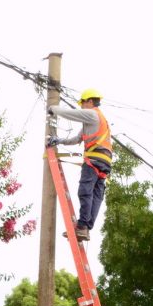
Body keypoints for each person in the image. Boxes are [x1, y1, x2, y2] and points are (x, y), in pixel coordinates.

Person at [47, 88, 113, 241]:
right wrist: (59, 140)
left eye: (83, 103)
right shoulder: (97, 120)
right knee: (96, 195)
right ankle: (86, 228)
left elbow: (71, 114)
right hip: (105, 162)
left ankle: (82, 225)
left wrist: (52, 109)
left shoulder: (92, 114)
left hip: (94, 159)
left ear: (90, 101)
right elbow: (77, 139)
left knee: (85, 191)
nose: (82, 106)